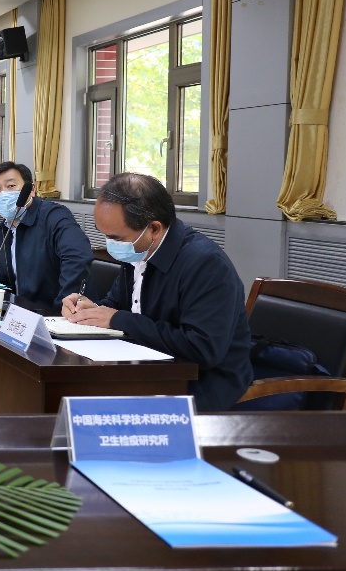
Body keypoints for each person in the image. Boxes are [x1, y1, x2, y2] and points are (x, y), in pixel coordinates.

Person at [63, 173, 252, 411]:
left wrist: (118, 319)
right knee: (75, 394)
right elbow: (116, 305)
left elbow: (202, 349)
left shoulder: (205, 264)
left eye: (116, 238)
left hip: (202, 382)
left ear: (154, 228)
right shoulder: (139, 250)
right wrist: (89, 310)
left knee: (100, 407)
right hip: (147, 366)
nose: (110, 245)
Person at [0, 161, 92, 310]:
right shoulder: (3, 231)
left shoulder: (54, 216)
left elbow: (78, 257)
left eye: (11, 186)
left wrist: (61, 308)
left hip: (58, 313)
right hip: (21, 313)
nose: (3, 194)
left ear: (31, 190)